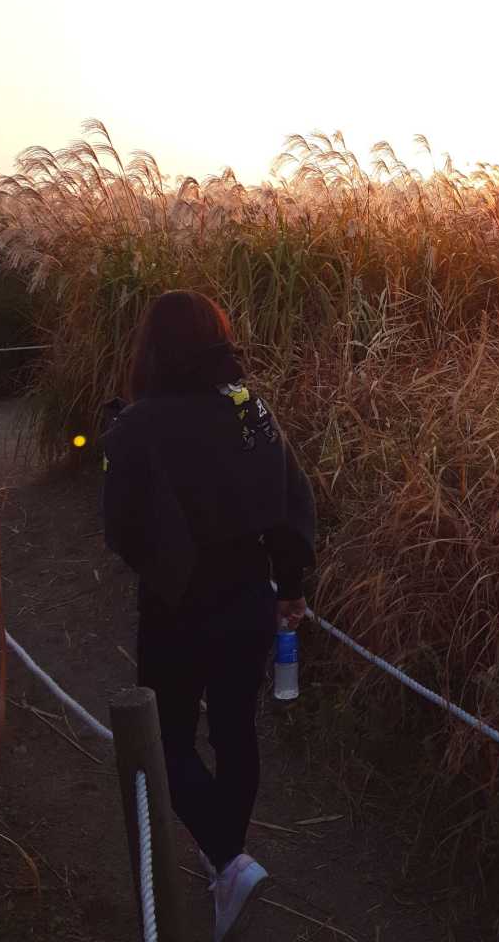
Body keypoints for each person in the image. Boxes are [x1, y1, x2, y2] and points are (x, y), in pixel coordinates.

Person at [99, 290, 316, 941]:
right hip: (249, 594)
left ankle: (227, 858)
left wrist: (165, 562)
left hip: (177, 605)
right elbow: (290, 497)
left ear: (153, 348)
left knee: (164, 738)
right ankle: (227, 861)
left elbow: (121, 528)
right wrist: (291, 584)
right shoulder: (248, 408)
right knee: (234, 731)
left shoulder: (138, 424)